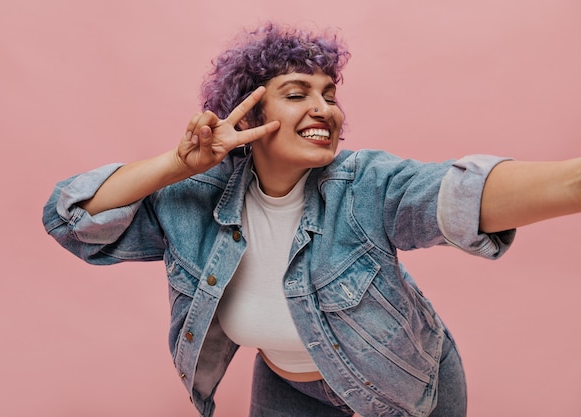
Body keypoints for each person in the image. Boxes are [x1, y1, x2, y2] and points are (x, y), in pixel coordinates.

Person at [42, 23, 581, 417]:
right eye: (297, 94)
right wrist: (174, 165)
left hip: (400, 387)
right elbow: (70, 219)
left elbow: (460, 192)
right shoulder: (197, 200)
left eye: (330, 94)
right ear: (250, 117)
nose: (324, 108)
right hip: (287, 390)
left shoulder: (365, 183)